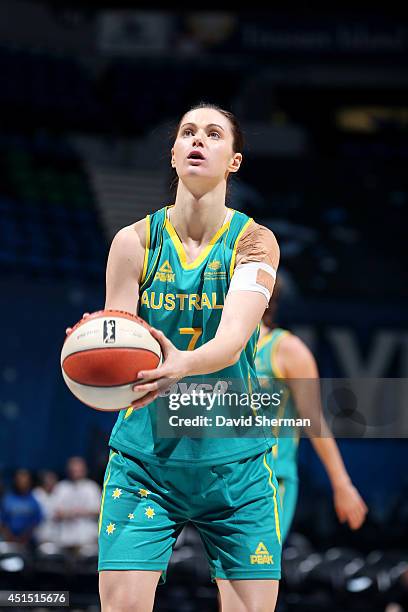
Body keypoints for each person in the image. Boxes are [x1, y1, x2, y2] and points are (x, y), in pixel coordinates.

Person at [68, 103, 282, 611]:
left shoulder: (255, 242)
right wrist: (95, 351)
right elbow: (116, 341)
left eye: (213, 134)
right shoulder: (133, 243)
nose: (198, 141)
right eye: (188, 133)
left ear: (234, 160)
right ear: (173, 154)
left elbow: (231, 340)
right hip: (147, 464)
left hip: (235, 463)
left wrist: (178, 365)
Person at [255, 277, 368, 542]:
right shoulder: (216, 349)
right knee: (219, 579)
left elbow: (314, 421)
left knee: (251, 577)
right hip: (219, 481)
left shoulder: (286, 350)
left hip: (270, 482)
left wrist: (342, 484)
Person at [52, 456, 101, 553]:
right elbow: (55, 512)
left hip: (87, 539)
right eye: (73, 470)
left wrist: (81, 512)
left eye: (78, 470)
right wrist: (71, 512)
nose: (76, 473)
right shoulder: (61, 487)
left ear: (85, 470)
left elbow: (99, 511)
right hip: (65, 539)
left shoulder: (92, 487)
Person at [0, 468, 43, 547]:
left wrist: (25, 537)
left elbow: (36, 521)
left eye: (24, 478)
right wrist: (10, 537)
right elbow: (2, 521)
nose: (22, 481)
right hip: (9, 540)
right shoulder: (7, 499)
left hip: (28, 542)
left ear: (29, 481)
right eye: (19, 479)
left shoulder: (34, 499)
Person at [32, 470, 59, 545]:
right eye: (48, 480)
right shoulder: (36, 494)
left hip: (57, 536)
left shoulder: (59, 493)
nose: (50, 482)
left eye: (53, 480)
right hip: (40, 534)